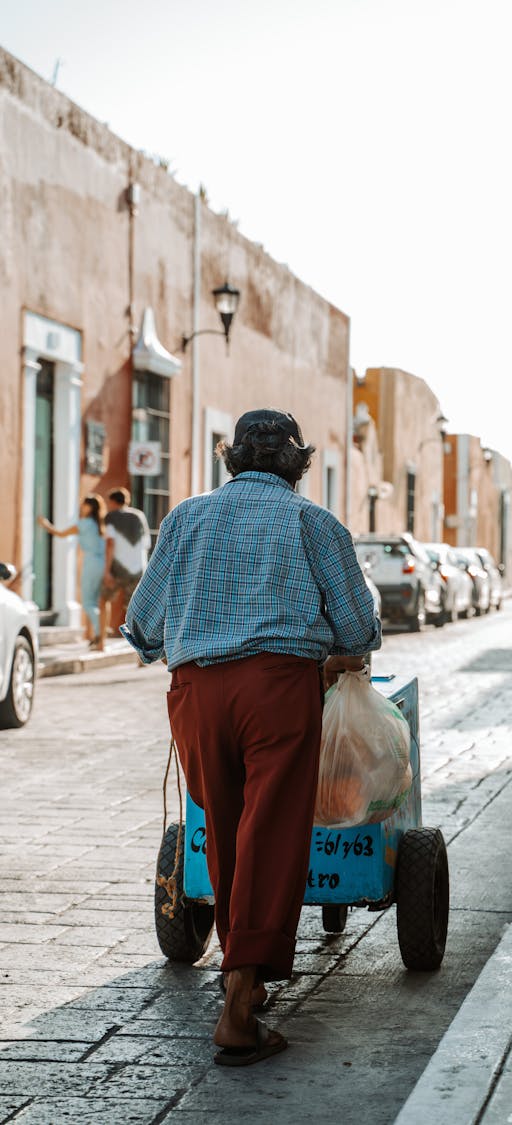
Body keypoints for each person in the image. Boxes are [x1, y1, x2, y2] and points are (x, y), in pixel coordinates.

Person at [121, 409, 381, 1067]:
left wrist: (179, 638)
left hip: (198, 694)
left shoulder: (185, 517)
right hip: (278, 690)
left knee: (230, 828)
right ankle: (239, 1002)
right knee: (272, 833)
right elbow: (356, 628)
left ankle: (249, 975)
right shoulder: (314, 523)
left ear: (231, 458)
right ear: (297, 464)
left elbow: (141, 625)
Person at [37, 495, 106, 647]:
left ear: (90, 507)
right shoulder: (98, 524)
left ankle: (99, 635)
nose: (81, 507)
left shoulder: (85, 523)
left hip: (91, 563)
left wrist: (45, 524)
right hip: (101, 563)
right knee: (94, 601)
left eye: (84, 505)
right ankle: (98, 636)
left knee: (88, 603)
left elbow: (61, 534)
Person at [99, 488, 150, 651]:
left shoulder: (111, 517)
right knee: (135, 611)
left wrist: (107, 571)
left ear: (113, 502)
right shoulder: (139, 516)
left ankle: (101, 642)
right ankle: (140, 653)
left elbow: (110, 544)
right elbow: (146, 543)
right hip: (138, 569)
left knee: (103, 601)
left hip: (118, 569)